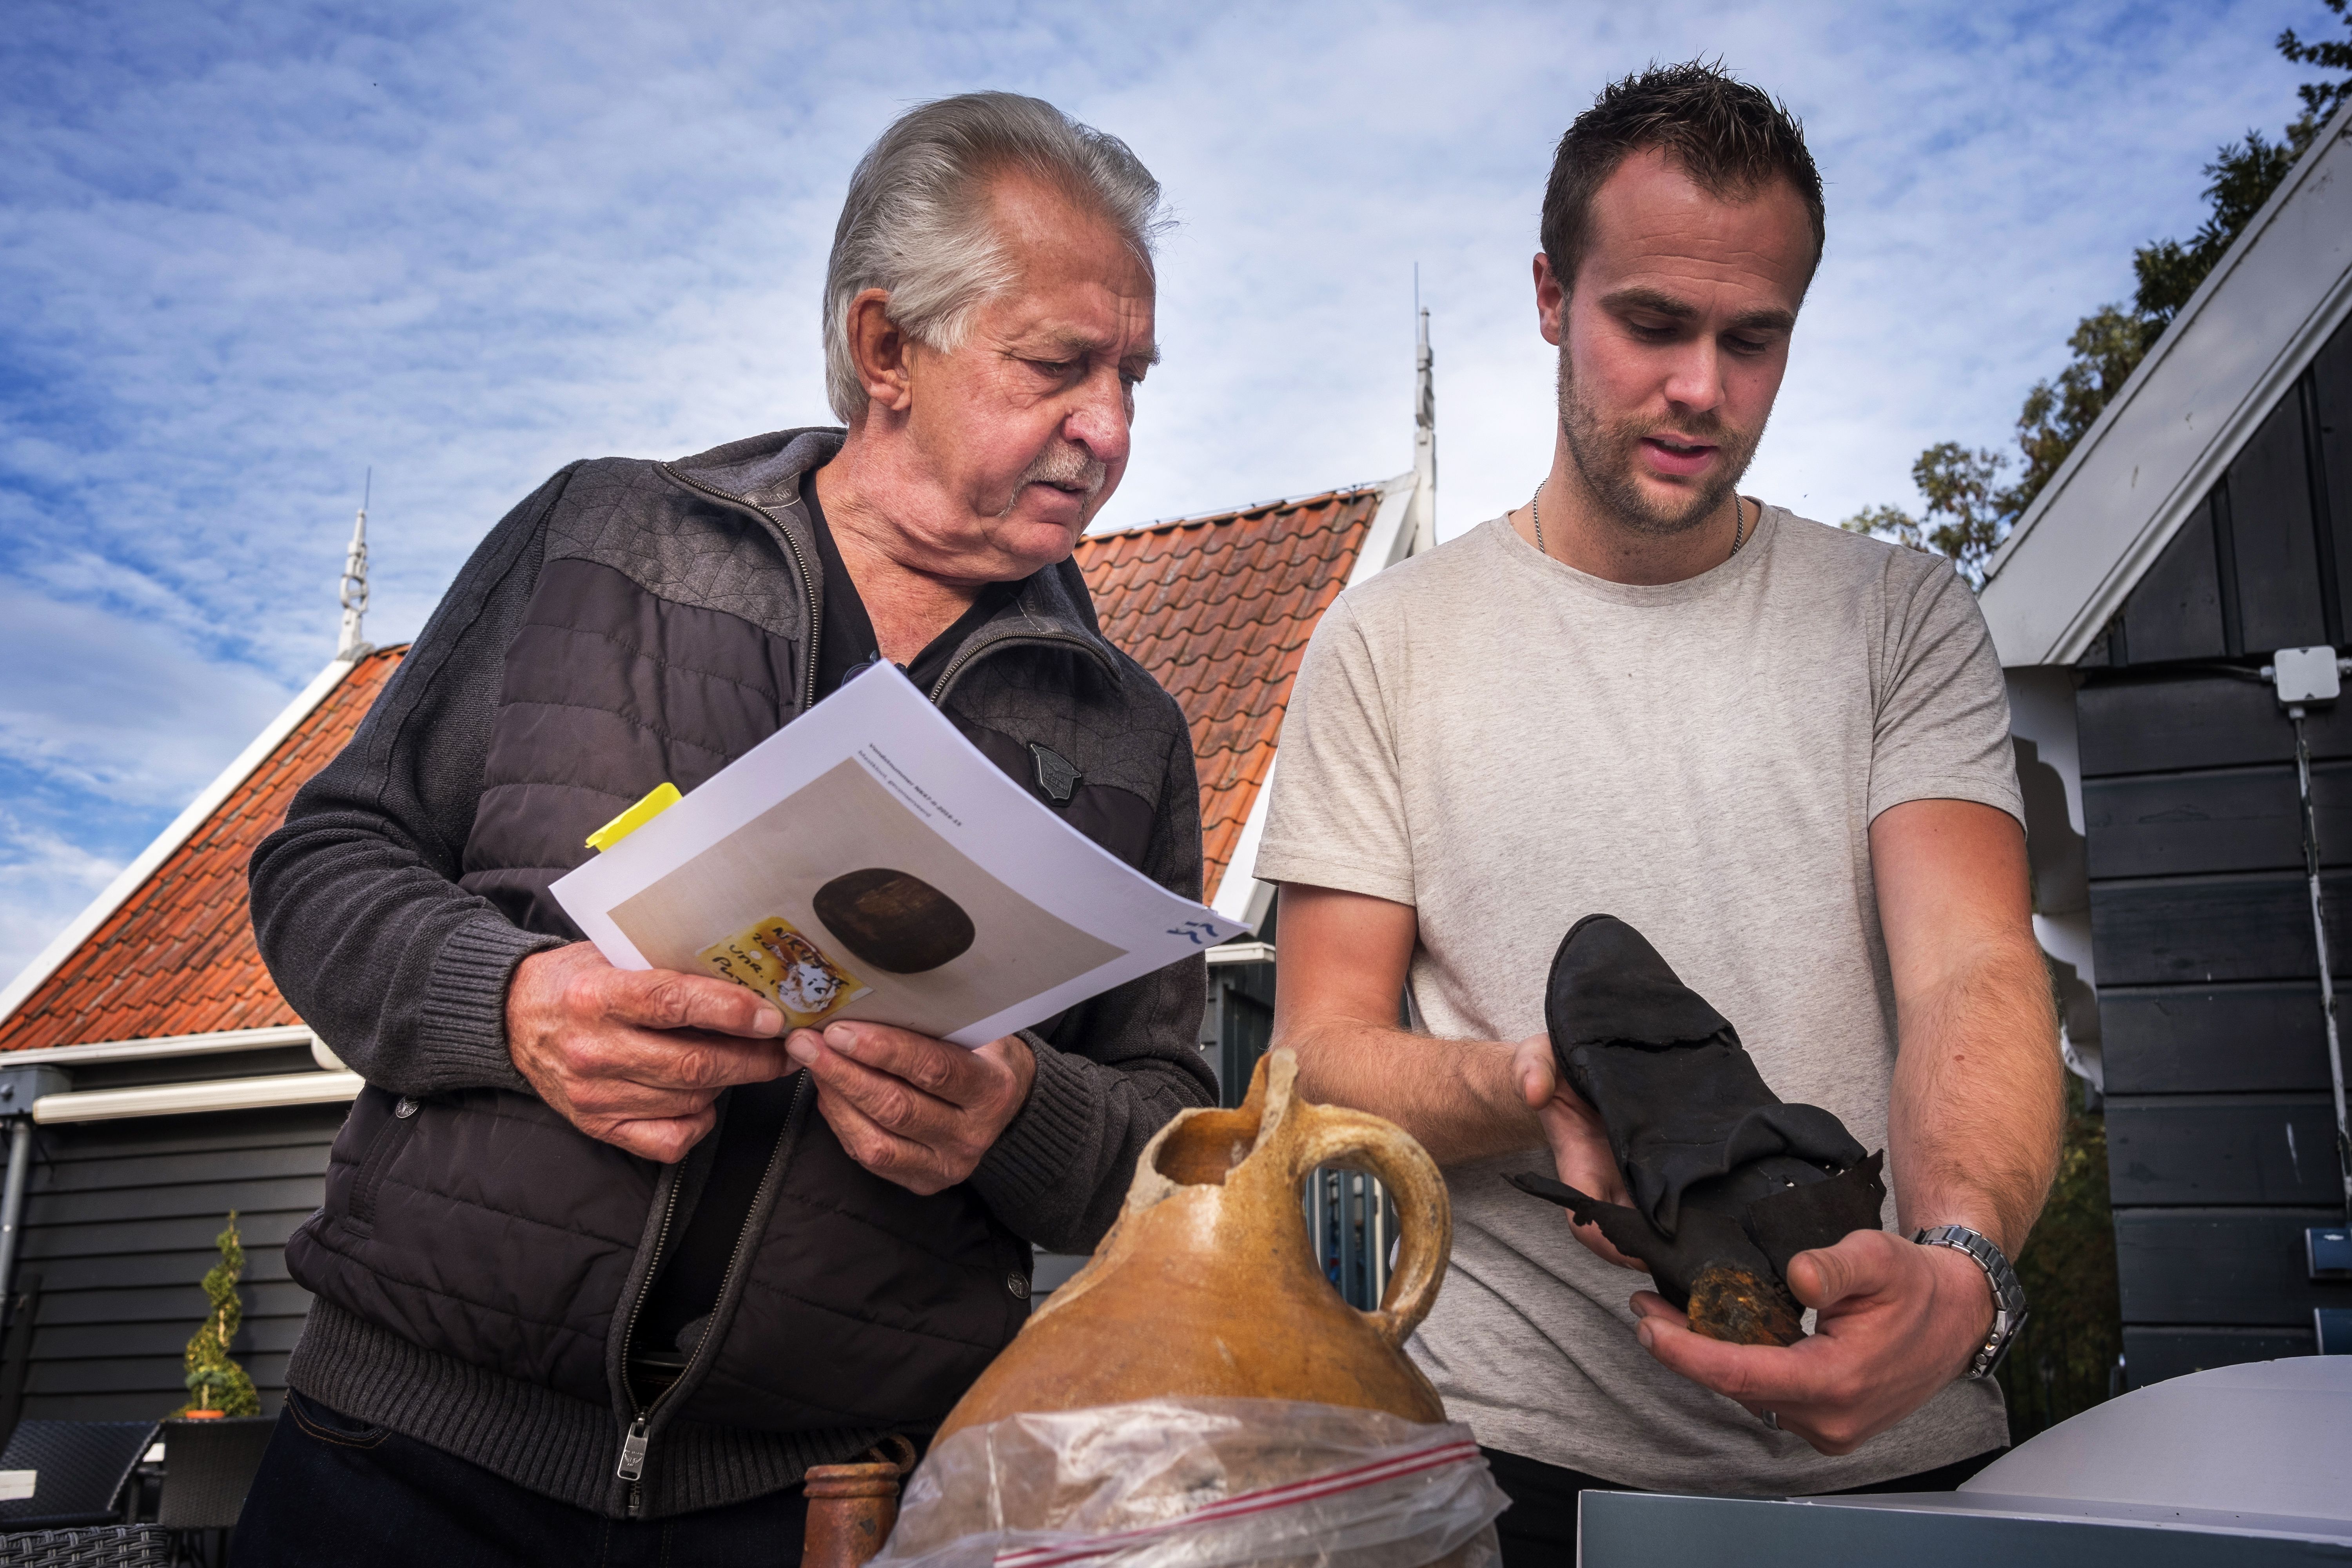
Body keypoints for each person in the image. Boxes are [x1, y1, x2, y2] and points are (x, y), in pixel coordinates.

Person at [238, 92, 1211, 1565]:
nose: (1111, 428)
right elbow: (322, 867)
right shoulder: (597, 541)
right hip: (404, 1465)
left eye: (1134, 376)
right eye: (1059, 367)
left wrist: (1022, 1124)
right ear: (887, 346)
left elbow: (1172, 1136)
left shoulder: (1127, 731)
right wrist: (505, 1001)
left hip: (823, 1513)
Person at [1253, 62, 2063, 1561]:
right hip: (1509, 1464)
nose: (1702, 387)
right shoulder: (1390, 641)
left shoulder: (1901, 617)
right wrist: (1534, 1085)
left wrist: (1956, 1273)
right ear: (1554, 296)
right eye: (1653, 325)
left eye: (1754, 340)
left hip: (1900, 1450)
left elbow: (1974, 968)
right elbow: (1316, 1052)